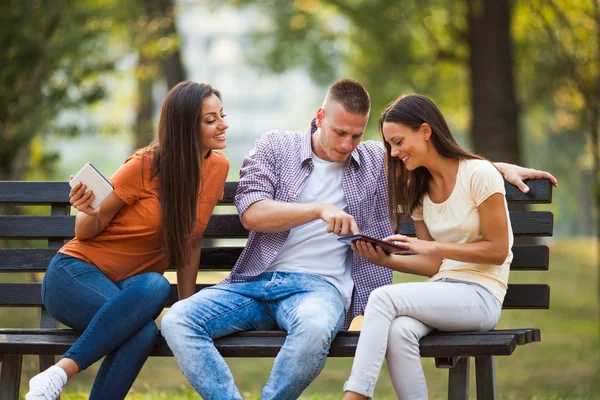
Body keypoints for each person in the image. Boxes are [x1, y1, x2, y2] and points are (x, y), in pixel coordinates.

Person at [161, 79, 557, 400]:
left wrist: (497, 167)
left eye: (356, 135)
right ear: (319, 117)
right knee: (179, 319)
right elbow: (251, 212)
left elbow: (437, 158)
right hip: (255, 283)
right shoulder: (274, 147)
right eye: (339, 133)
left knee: (315, 330)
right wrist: (318, 209)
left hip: (320, 291)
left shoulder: (372, 160)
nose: (348, 144)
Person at [25, 81, 230, 400]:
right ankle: (59, 374)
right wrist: (88, 208)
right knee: (152, 303)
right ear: (185, 126)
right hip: (74, 276)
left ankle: (54, 375)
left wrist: (186, 307)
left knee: (151, 305)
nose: (223, 125)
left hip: (130, 290)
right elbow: (86, 231)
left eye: (222, 115)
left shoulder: (218, 167)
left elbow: (191, 241)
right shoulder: (145, 165)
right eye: (211, 119)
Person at [342, 94, 521, 400]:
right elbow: (431, 266)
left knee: (382, 298)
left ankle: (356, 395)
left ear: (426, 131)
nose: (395, 152)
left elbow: (498, 250)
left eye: (398, 142)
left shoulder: (479, 174)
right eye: (390, 146)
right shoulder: (419, 190)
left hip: (481, 295)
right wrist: (384, 260)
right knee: (400, 332)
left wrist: (436, 247)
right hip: (445, 289)